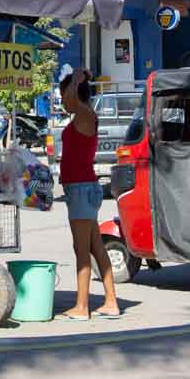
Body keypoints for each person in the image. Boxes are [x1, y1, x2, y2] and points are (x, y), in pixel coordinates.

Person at [57, 66, 120, 320]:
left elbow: (70, 100)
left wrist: (77, 79)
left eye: (64, 95)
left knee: (81, 250)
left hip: (82, 189)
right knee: (95, 247)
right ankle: (111, 302)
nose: (62, 101)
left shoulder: (84, 113)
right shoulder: (82, 116)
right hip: (82, 188)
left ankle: (82, 307)